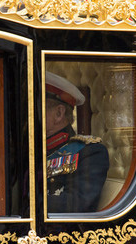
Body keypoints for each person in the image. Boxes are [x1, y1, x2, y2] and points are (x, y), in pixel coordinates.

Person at [45, 72, 109, 213]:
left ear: (59, 113)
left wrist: (28, 202)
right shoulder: (32, 150)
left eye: (35, 108)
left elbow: (78, 204)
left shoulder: (90, 152)